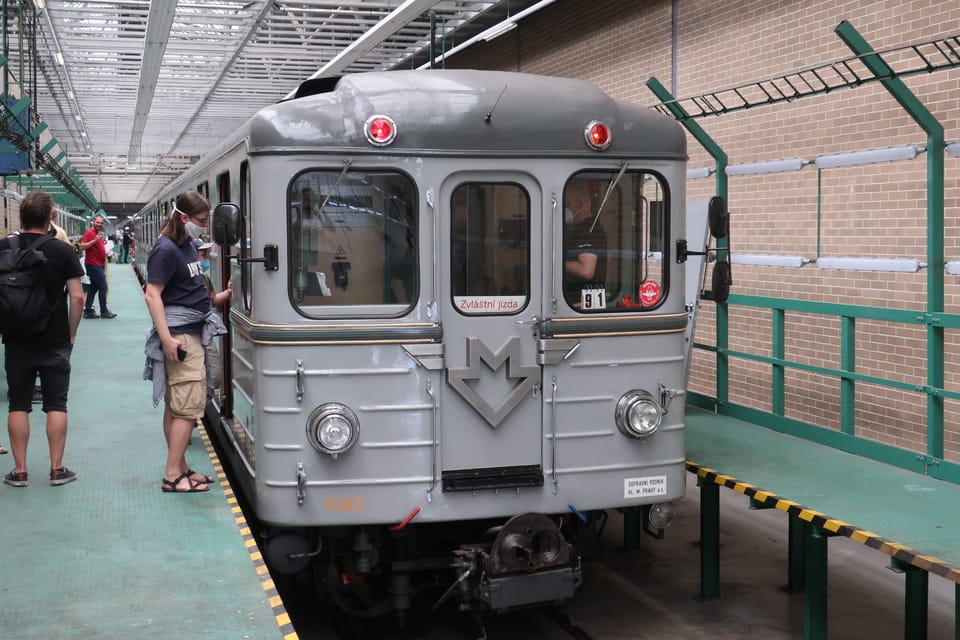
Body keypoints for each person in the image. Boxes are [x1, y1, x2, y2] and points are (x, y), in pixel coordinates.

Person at [143, 191, 227, 493]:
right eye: (201, 221)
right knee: (188, 408)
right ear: (184, 217)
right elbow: (152, 294)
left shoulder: (187, 246)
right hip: (181, 336)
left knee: (176, 406)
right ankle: (172, 476)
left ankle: (181, 468)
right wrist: (166, 338)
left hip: (192, 332)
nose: (204, 227)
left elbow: (191, 288)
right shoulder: (165, 250)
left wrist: (220, 297)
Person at [2, 191, 85, 487]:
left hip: (15, 339)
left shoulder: (2, 248)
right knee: (56, 404)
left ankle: (20, 470)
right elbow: (77, 297)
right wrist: (72, 332)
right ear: (49, 217)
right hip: (55, 339)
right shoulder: (63, 251)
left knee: (18, 404)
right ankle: (56, 469)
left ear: (21, 216)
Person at [563, 181, 606, 305]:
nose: (564, 209)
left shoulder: (587, 229)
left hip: (579, 304)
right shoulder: (584, 228)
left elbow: (586, 270)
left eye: (566, 204)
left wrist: (554, 264)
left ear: (578, 205)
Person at [78, 214, 117, 319]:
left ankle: (88, 310)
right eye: (97, 222)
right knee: (103, 286)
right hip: (93, 264)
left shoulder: (98, 234)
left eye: (101, 223)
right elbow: (82, 246)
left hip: (98, 264)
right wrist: (95, 240)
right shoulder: (89, 233)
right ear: (93, 222)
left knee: (94, 287)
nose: (99, 224)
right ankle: (104, 311)